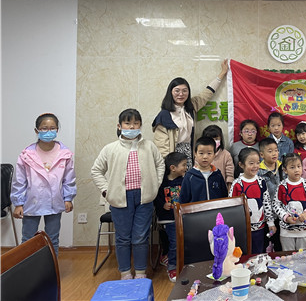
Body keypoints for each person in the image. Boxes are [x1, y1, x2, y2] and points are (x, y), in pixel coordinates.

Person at [91, 108, 165, 279]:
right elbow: (96, 170)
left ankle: (140, 272)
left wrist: (155, 184)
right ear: (119, 126)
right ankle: (125, 272)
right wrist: (106, 190)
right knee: (123, 237)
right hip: (119, 199)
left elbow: (160, 164)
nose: (132, 127)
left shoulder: (149, 146)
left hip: (144, 198)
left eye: (136, 123)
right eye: (128, 123)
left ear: (140, 125)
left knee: (140, 236)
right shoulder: (110, 148)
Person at [11, 113, 76, 256]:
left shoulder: (65, 154)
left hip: (55, 201)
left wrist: (68, 198)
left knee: (53, 239)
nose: (48, 131)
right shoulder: (27, 155)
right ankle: (28, 268)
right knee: (28, 239)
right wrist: (18, 203)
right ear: (37, 130)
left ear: (57, 130)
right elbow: (19, 180)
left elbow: (69, 179)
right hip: (31, 201)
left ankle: (51, 268)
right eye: (44, 128)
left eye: (52, 128)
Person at [152, 60, 228, 168]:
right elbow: (161, 146)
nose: (181, 94)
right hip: (172, 156)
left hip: (189, 153)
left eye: (184, 90)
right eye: (177, 91)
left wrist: (222, 73)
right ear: (171, 92)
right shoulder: (164, 115)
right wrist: (168, 165)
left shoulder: (191, 107)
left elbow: (207, 93)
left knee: (188, 179)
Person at [229, 147, 276, 254]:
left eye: (258, 162)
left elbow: (266, 203)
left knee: (258, 253)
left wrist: (270, 222)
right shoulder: (237, 184)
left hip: (259, 228)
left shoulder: (261, 182)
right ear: (241, 165)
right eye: (251, 163)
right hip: (242, 229)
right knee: (243, 254)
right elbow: (231, 207)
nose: (255, 166)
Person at [153, 152, 188, 282]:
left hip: (182, 217)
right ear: (173, 168)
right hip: (169, 218)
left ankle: (181, 262)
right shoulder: (162, 182)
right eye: (183, 165)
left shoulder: (185, 180)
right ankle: (172, 266)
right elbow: (156, 197)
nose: (186, 167)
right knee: (174, 243)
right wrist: (163, 204)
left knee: (182, 242)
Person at [273, 153, 306, 251]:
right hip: (286, 231)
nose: (297, 170)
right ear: (285, 170)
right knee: (288, 256)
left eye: (299, 166)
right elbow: (276, 205)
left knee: (302, 256)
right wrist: (286, 217)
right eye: (292, 167)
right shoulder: (282, 186)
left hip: (304, 230)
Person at [178, 137, 228, 203]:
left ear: (214, 154)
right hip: (196, 209)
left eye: (209, 153)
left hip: (216, 209)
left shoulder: (217, 174)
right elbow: (183, 200)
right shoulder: (190, 176)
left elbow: (224, 197)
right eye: (201, 153)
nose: (205, 157)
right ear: (195, 154)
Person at [258, 137, 283, 251]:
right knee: (265, 244)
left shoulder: (282, 167)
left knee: (279, 245)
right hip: (266, 215)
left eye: (276, 150)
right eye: (270, 151)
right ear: (262, 155)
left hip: (281, 213)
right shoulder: (259, 171)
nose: (274, 153)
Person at [201, 125, 234, 191]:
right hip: (204, 188)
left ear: (221, 139)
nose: (213, 141)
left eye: (216, 139)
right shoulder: (200, 155)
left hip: (221, 189)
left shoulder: (226, 154)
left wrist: (229, 188)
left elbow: (229, 175)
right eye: (211, 139)